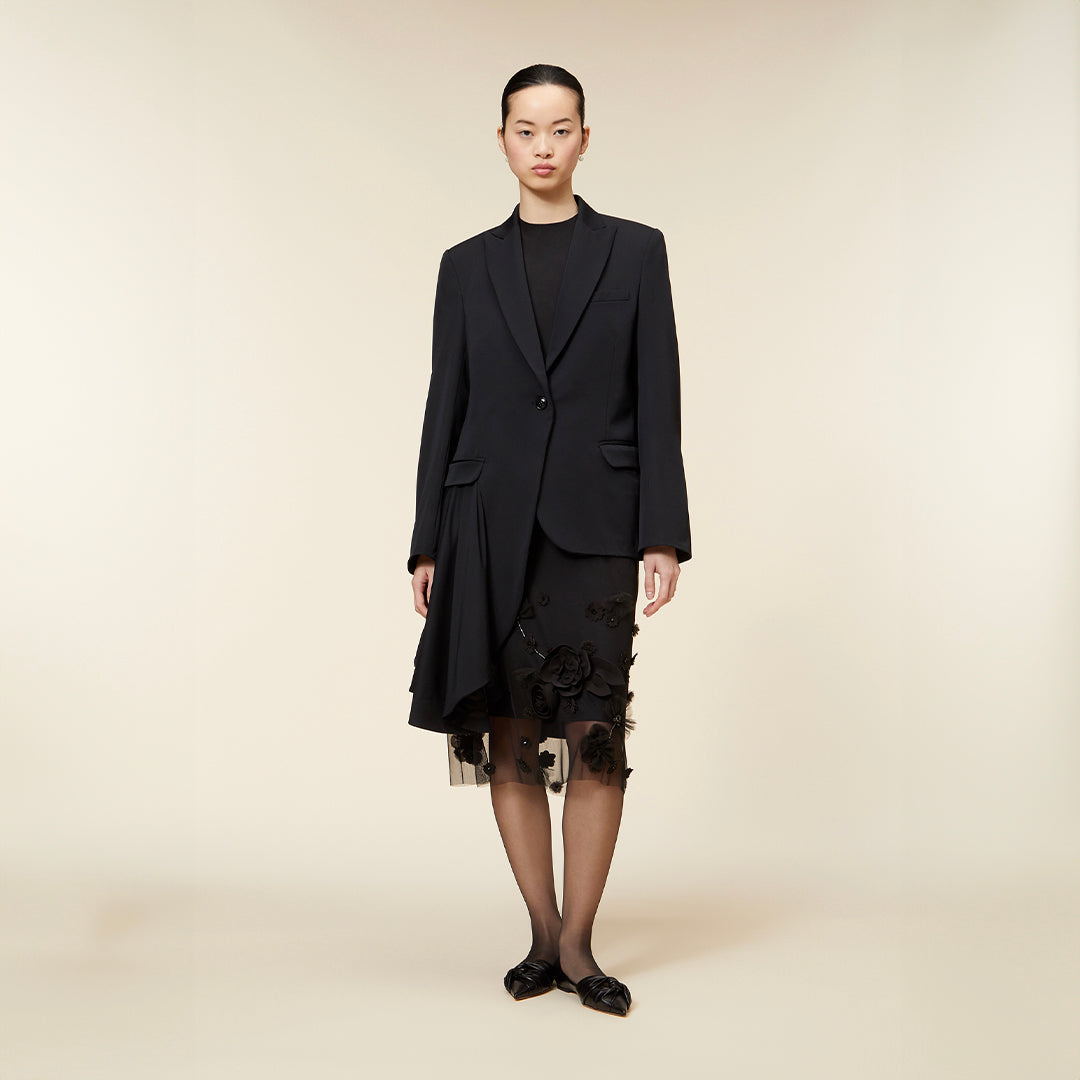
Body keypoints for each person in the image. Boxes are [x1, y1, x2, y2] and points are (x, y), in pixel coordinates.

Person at [406, 64, 692, 1016]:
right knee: (511, 736)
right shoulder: (464, 265)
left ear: (583, 139)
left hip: (597, 524)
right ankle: (540, 933)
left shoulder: (636, 251)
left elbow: (659, 397)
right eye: (525, 130)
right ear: (501, 140)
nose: (542, 145)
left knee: (595, 737)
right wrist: (426, 542)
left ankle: (579, 945)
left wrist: (662, 532)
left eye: (559, 128)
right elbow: (444, 406)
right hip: (486, 527)